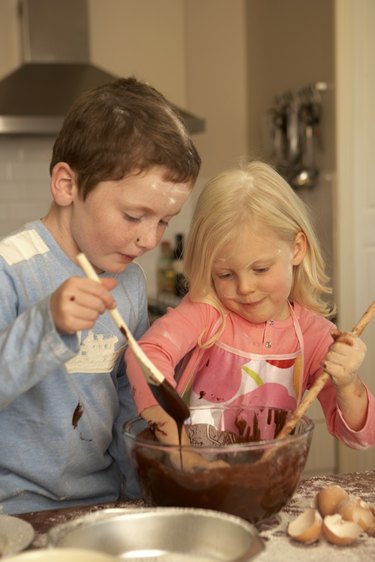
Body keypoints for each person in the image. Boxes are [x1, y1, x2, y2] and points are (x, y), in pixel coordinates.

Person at [0, 77, 201, 514]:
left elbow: (129, 399)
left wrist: (142, 493)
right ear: (67, 185)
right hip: (16, 510)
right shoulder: (10, 268)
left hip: (106, 503)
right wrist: (46, 323)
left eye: (164, 221)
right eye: (133, 215)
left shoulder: (126, 279)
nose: (149, 238)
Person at [126, 160, 375, 463]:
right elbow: (145, 355)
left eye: (260, 268)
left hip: (267, 489)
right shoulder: (207, 313)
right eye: (225, 274)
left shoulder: (314, 336)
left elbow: (361, 437)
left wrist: (348, 383)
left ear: (296, 249)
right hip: (191, 485)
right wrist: (177, 444)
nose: (244, 288)